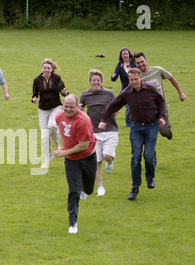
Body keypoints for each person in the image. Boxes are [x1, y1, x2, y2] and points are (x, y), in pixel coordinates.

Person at [98, 68, 166, 201]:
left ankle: (150, 177)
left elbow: (161, 102)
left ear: (141, 78)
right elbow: (113, 105)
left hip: (152, 126)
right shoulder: (126, 93)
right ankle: (135, 188)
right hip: (135, 128)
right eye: (131, 80)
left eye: (136, 79)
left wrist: (162, 116)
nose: (134, 82)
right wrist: (103, 120)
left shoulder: (151, 89)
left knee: (148, 155)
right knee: (135, 157)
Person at [54, 94, 97, 234]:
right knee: (73, 190)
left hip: (88, 157)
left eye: (71, 107)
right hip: (72, 161)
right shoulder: (59, 117)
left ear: (78, 106)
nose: (68, 109)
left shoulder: (83, 120)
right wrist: (60, 146)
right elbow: (61, 131)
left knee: (89, 189)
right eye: (65, 106)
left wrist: (63, 152)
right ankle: (72, 223)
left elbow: (83, 146)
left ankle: (85, 188)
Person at [80, 69, 117, 197]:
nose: (96, 82)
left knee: (107, 156)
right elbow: (81, 109)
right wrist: (79, 109)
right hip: (93, 132)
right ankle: (100, 187)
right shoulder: (85, 95)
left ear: (101, 81)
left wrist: (112, 113)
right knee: (96, 161)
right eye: (93, 80)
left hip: (110, 130)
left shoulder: (109, 94)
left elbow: (116, 107)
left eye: (98, 80)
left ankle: (110, 161)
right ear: (90, 82)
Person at [134, 52, 186, 140]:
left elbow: (171, 78)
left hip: (161, 107)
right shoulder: (136, 76)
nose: (141, 64)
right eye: (138, 63)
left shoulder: (157, 70)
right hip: (146, 110)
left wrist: (180, 92)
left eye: (142, 61)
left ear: (146, 60)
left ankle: (168, 131)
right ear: (135, 64)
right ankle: (150, 153)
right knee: (147, 134)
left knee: (164, 132)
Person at [32, 58, 68, 169]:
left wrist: (64, 92)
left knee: (52, 125)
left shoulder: (57, 78)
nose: (46, 70)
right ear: (41, 68)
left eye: (48, 68)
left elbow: (63, 92)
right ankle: (47, 160)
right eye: (45, 68)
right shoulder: (37, 80)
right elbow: (34, 94)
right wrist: (34, 99)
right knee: (44, 137)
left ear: (52, 69)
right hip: (43, 109)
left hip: (56, 107)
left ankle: (57, 143)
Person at [111, 47, 136, 127]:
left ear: (129, 54)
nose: (125, 55)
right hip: (126, 89)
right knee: (128, 107)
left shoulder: (134, 62)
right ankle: (129, 124)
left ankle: (137, 121)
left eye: (126, 53)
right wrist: (113, 76)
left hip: (136, 87)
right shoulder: (120, 65)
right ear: (121, 56)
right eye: (123, 54)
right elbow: (114, 78)